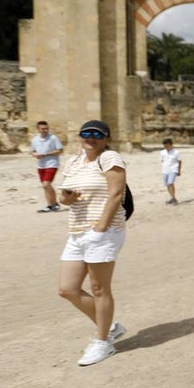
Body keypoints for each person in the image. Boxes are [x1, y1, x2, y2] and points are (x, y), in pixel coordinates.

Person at [56, 119, 128, 366]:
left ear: (106, 138)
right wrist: (67, 197)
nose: (91, 137)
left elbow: (116, 194)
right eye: (86, 132)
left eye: (97, 133)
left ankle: (103, 342)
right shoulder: (73, 162)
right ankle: (108, 325)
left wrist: (101, 227)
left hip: (104, 231)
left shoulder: (110, 158)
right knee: (67, 289)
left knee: (99, 288)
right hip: (76, 231)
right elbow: (64, 200)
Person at [31, 120, 63, 212]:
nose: (45, 130)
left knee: (46, 184)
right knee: (45, 186)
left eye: (46, 128)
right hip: (41, 165)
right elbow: (32, 151)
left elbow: (60, 150)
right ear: (38, 129)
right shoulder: (35, 140)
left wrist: (45, 154)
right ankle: (49, 205)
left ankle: (55, 203)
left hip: (52, 163)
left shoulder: (53, 138)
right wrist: (35, 155)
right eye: (43, 129)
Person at [160, 137, 182, 205]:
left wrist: (178, 171)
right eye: (164, 145)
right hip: (165, 170)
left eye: (166, 145)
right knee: (167, 185)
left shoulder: (176, 152)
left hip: (173, 169)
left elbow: (179, 161)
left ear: (170, 144)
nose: (165, 147)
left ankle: (173, 199)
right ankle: (173, 198)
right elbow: (162, 160)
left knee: (170, 183)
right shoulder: (162, 152)